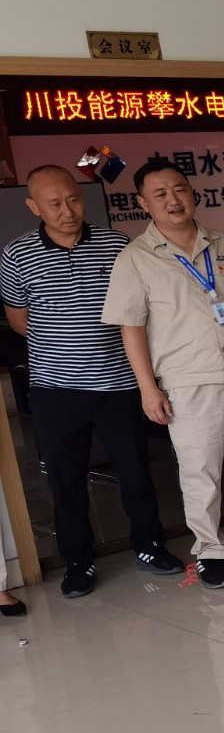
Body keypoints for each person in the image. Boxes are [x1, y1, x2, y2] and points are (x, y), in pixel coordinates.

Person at [101, 158, 224, 590]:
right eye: (160, 194)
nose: (173, 200)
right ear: (143, 203)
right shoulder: (135, 259)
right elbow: (131, 329)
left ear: (193, 194)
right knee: (201, 472)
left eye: (180, 189)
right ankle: (211, 552)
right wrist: (148, 389)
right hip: (188, 381)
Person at [2, 165, 182, 596]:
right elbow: (20, 320)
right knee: (65, 479)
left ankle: (150, 545)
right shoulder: (16, 255)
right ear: (33, 207)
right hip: (56, 389)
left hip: (119, 383)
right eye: (54, 204)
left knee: (135, 469)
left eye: (74, 200)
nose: (68, 211)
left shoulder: (117, 245)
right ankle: (78, 561)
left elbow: (135, 312)